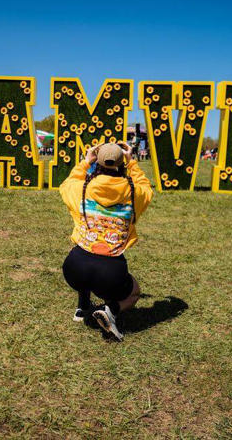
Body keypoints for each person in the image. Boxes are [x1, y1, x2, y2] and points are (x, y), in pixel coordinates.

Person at [59, 142, 154, 341]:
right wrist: (132, 162)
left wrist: (86, 161)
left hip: (74, 268)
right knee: (134, 292)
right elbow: (146, 188)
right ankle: (110, 310)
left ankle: (83, 307)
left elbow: (67, 184)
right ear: (121, 163)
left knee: (85, 249)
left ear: (98, 162)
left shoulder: (82, 188)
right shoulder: (134, 193)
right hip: (110, 273)